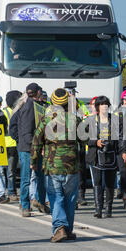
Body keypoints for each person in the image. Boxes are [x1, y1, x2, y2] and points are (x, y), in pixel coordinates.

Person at [31, 88, 82, 242]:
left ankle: (60, 228)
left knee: (56, 197)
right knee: (70, 199)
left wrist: (33, 162)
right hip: (72, 167)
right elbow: (86, 140)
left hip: (52, 166)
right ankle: (68, 229)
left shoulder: (46, 120)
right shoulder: (75, 119)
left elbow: (36, 142)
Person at [10, 83, 50, 217]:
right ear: (38, 92)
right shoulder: (30, 107)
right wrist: (28, 144)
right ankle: (25, 206)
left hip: (31, 146)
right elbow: (27, 131)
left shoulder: (32, 105)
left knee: (39, 176)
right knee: (27, 178)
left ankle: (39, 202)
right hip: (29, 148)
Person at [85, 96, 120, 218]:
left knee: (110, 183)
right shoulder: (91, 120)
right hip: (96, 156)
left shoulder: (115, 120)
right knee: (97, 182)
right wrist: (95, 142)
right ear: (97, 107)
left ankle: (108, 209)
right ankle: (98, 209)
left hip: (112, 155)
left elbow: (121, 137)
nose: (104, 106)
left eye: (106, 104)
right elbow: (83, 137)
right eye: (101, 104)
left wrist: (124, 151)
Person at [2, 90, 22, 202]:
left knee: (12, 170)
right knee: (10, 171)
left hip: (16, 143)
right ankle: (11, 192)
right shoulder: (5, 112)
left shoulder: (17, 110)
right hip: (9, 144)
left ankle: (12, 191)